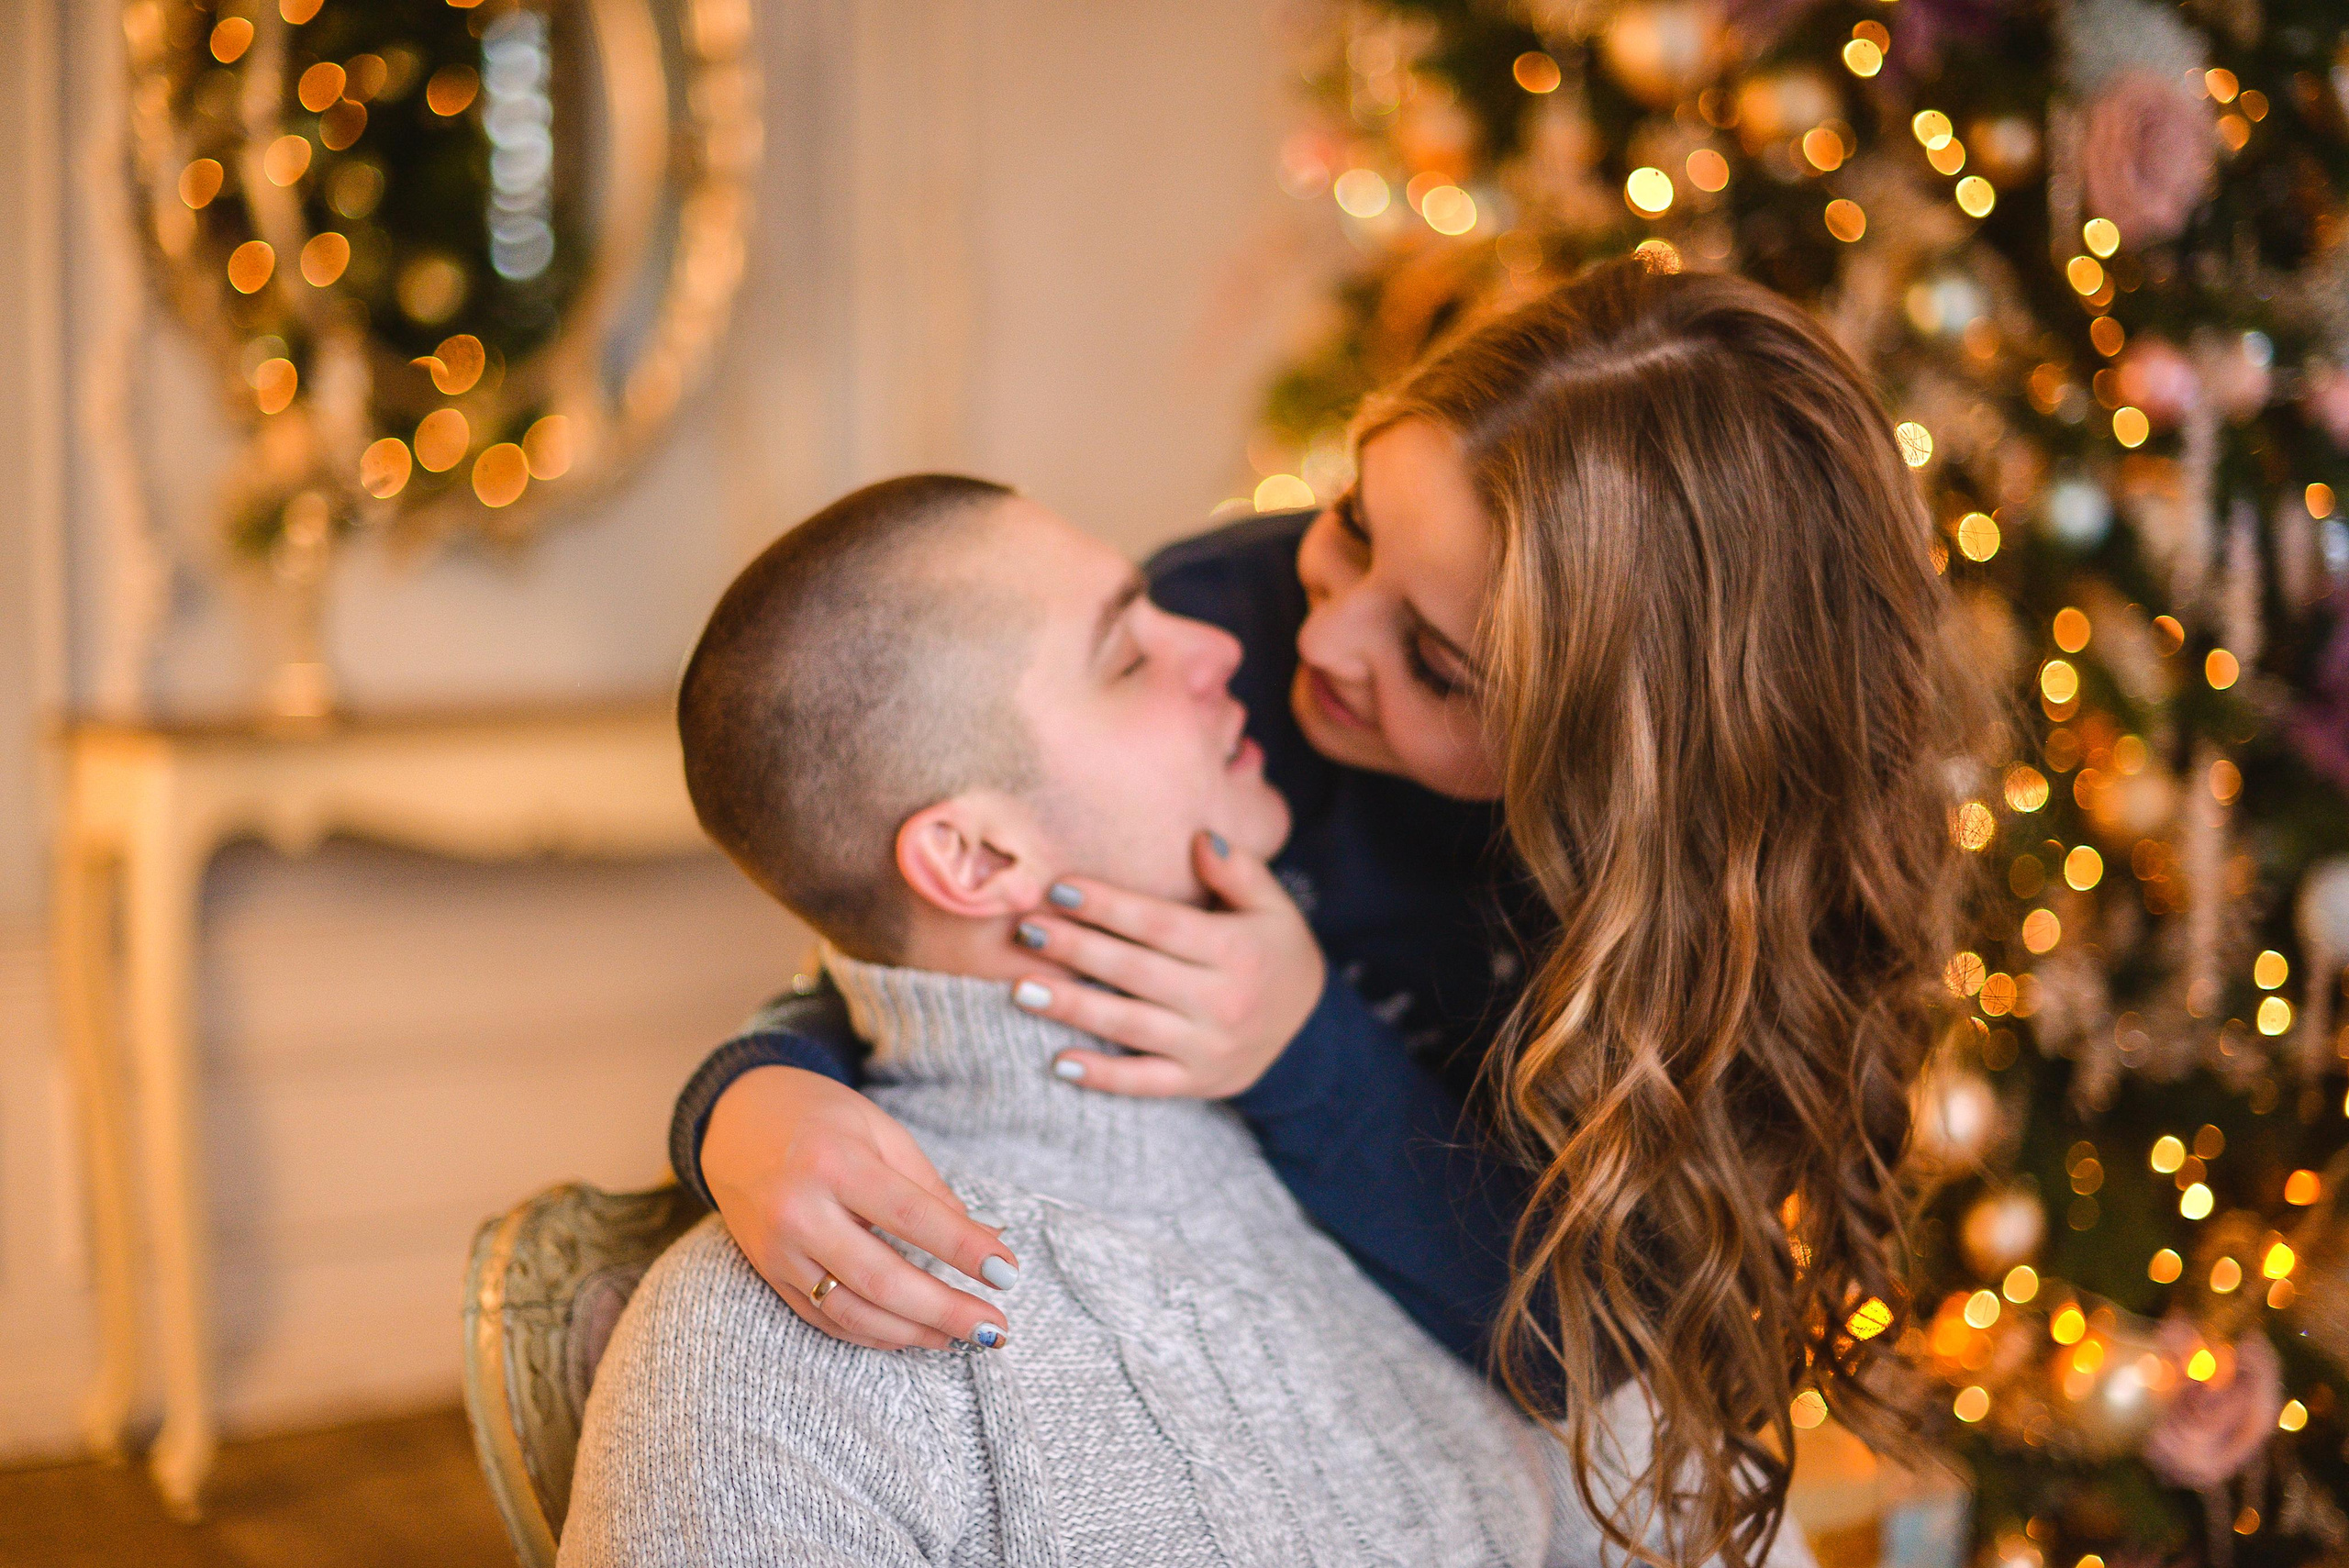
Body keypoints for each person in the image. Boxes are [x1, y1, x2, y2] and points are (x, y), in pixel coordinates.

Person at [665, 259, 1973, 1568]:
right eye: (1351, 525)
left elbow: (1593, 1343)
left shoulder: (1712, 915)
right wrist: (755, 1091)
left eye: (1438, 664)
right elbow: (931, 898)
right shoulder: (1237, 620)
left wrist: (1307, 1044)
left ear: (1617, 767)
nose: (1321, 641)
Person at [562, 473, 1775, 1567]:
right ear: (977, 854)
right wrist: (749, 1085)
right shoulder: (765, 1362)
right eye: (1126, 657)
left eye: (1441, 663)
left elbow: (1671, 1485)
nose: (1219, 649)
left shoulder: (1428, 1198)